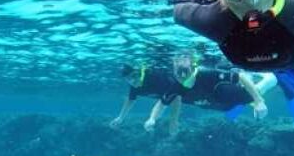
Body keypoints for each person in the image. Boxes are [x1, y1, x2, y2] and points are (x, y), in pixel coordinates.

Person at [110, 55, 276, 135]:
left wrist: (259, 100)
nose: (185, 81)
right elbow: (162, 103)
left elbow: (238, 77)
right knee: (225, 107)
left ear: (193, 70)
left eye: (188, 75)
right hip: (210, 101)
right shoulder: (177, 85)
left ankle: (262, 81)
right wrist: (152, 119)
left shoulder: (207, 73)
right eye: (180, 77)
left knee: (231, 95)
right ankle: (250, 97)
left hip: (223, 91)